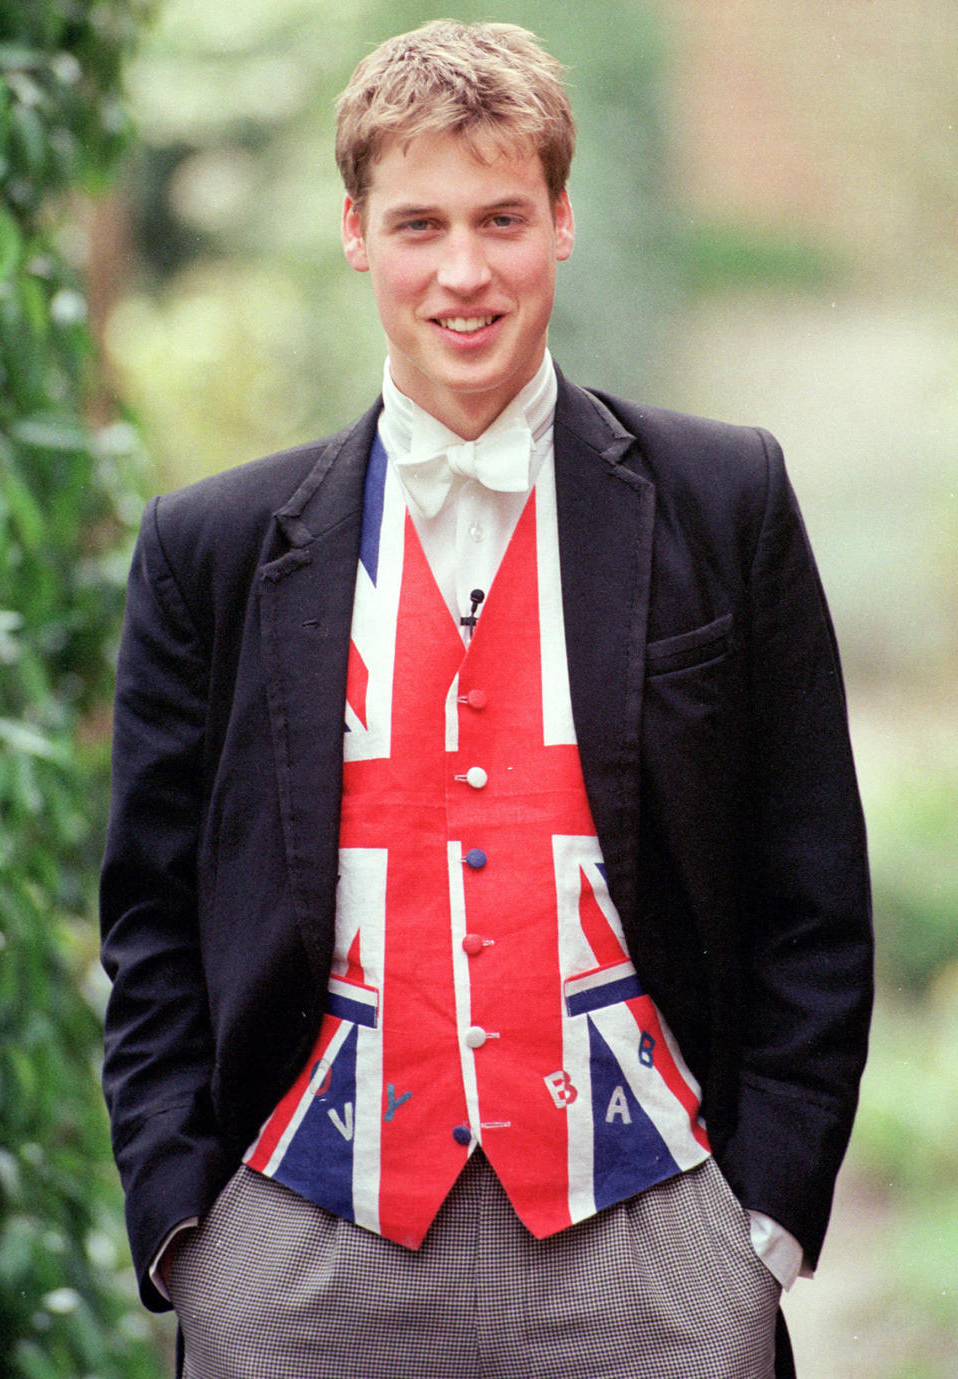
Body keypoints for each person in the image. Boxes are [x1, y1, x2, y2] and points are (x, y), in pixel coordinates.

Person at [100, 20, 872, 1379]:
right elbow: (151, 914)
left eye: (503, 218)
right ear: (355, 232)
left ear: (563, 220)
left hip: (656, 1234)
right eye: (420, 224)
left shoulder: (725, 497)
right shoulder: (210, 549)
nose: (465, 272)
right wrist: (189, 1233)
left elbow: (812, 887)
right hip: (298, 1242)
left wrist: (760, 1230)